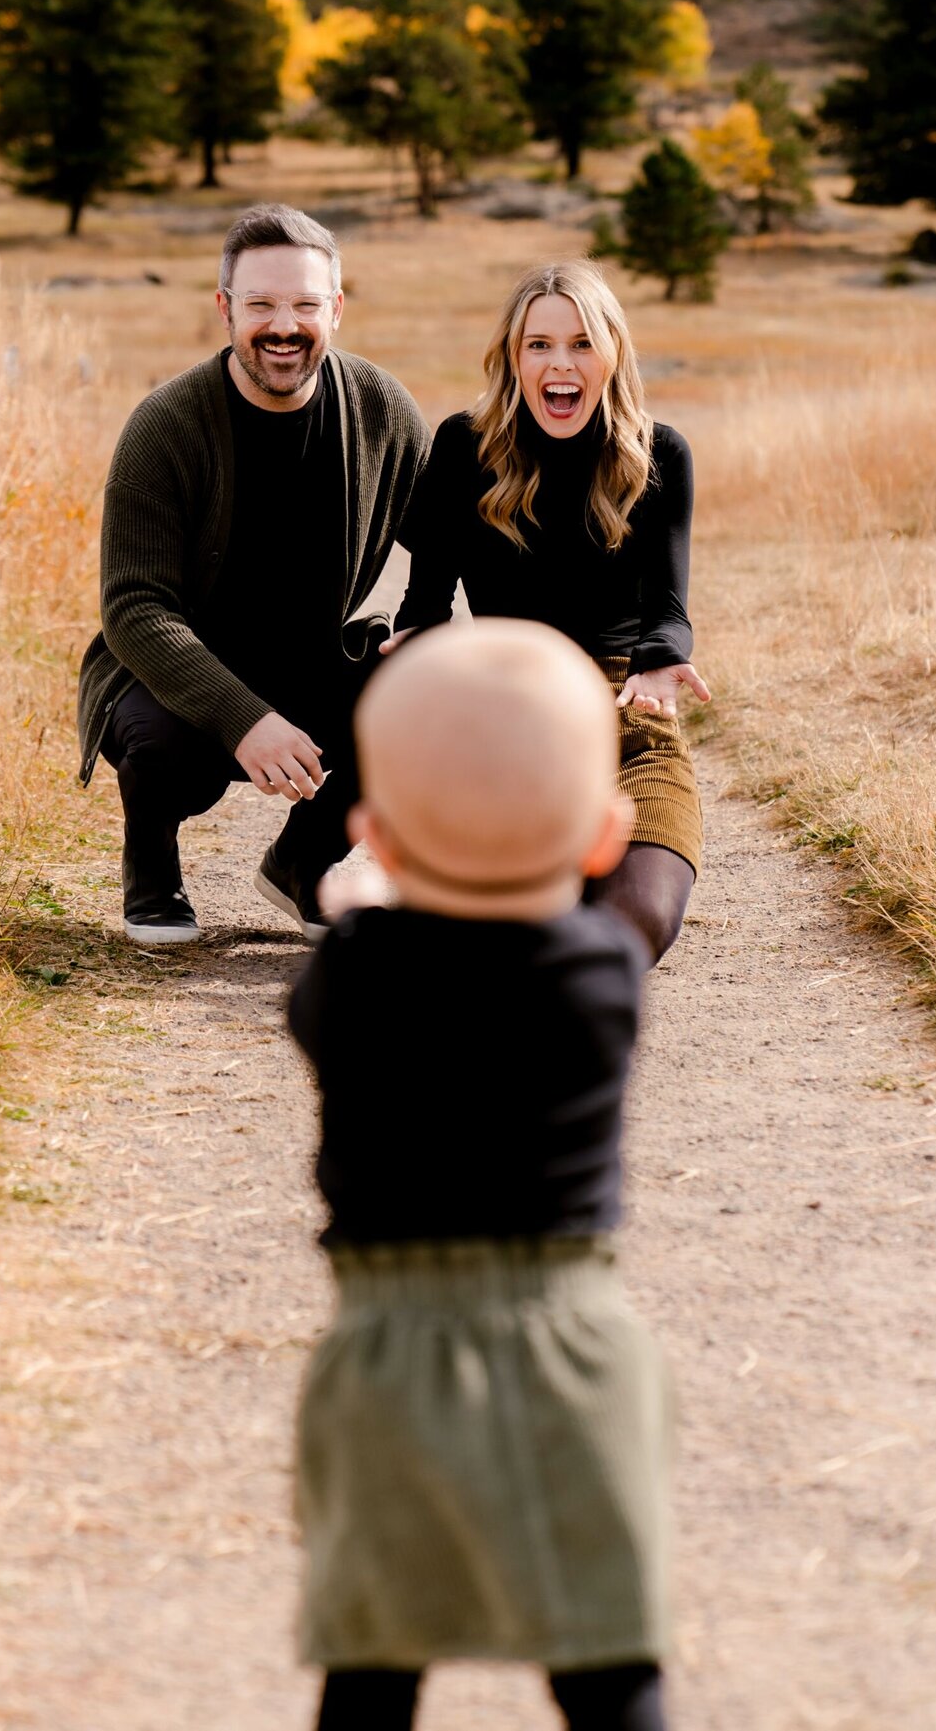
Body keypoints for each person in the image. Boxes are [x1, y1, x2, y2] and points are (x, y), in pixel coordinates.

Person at [289, 620, 672, 1731]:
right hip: (576, 1354)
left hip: (389, 1366)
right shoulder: (604, 977)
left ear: (374, 833)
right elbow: (529, 935)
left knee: (373, 1660)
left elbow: (356, 929)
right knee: (608, 1655)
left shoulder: (352, 985)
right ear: (606, 835)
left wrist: (361, 891)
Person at [77, 203, 429, 946]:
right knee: (157, 738)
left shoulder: (382, 411)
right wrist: (244, 721)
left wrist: (429, 624)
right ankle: (152, 864)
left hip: (315, 663)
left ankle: (303, 863)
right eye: (261, 304)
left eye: (304, 304)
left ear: (335, 308)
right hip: (183, 679)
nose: (283, 326)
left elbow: (452, 538)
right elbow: (135, 608)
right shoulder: (165, 424)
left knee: (431, 682)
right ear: (224, 308)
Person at [389, 261, 708, 963]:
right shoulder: (463, 446)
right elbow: (424, 602)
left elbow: (670, 611)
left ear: (612, 354)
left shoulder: (659, 454)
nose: (560, 363)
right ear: (513, 355)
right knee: (493, 921)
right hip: (508, 713)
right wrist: (408, 660)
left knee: (635, 925)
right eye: (539, 344)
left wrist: (661, 660)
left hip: (628, 713)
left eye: (581, 344)